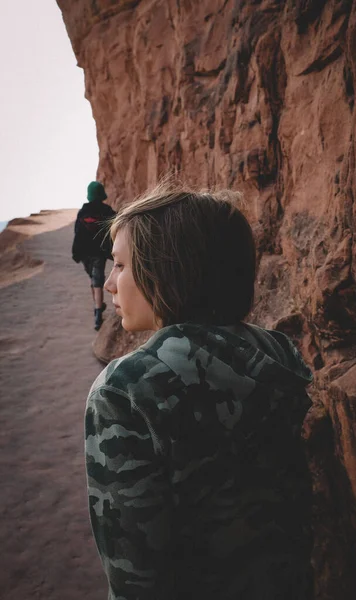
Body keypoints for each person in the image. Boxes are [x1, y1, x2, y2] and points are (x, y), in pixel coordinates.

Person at [85, 182, 314, 600]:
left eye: (121, 265)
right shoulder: (278, 353)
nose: (111, 284)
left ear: (166, 269)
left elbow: (135, 576)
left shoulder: (125, 391)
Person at [72, 181, 116, 330]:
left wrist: (76, 252)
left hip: (84, 253)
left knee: (94, 280)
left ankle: (97, 310)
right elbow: (117, 226)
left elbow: (77, 232)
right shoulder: (107, 210)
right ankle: (98, 313)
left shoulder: (83, 211)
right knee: (97, 280)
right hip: (99, 252)